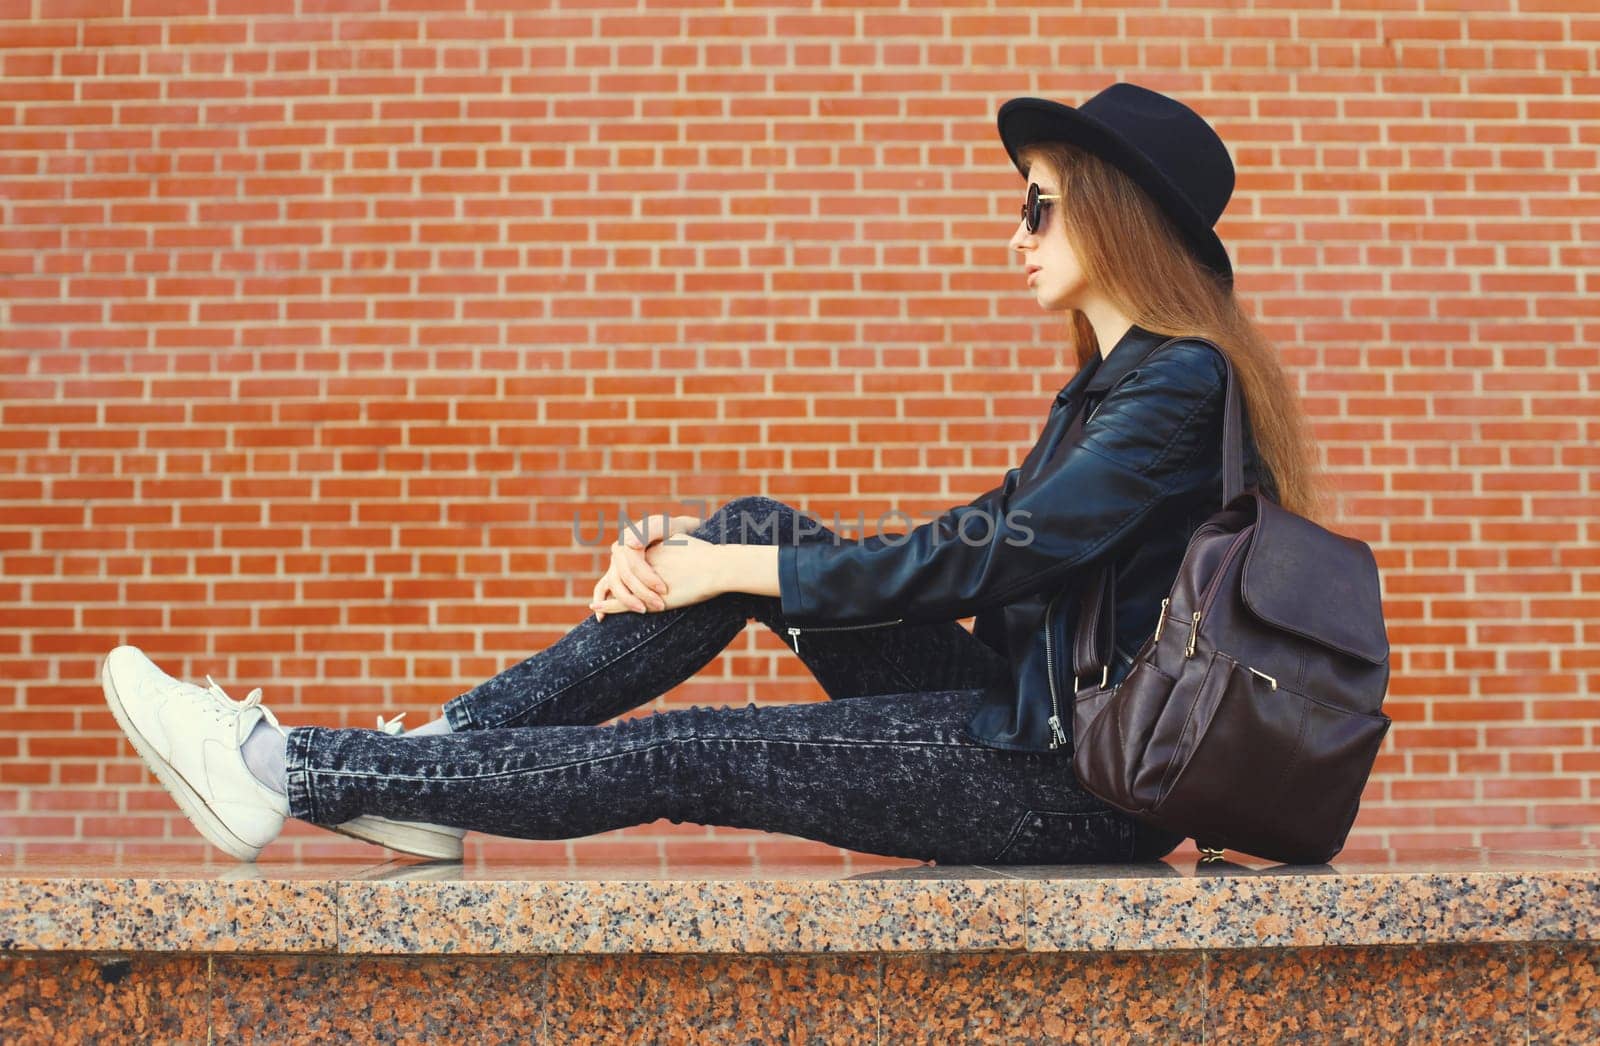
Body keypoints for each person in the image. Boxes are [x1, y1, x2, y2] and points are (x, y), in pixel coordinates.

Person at [100, 82, 1330, 866]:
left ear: (1115, 221)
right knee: (748, 536)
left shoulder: (1180, 385)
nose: (1012, 235)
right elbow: (981, 538)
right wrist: (729, 555)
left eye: (1038, 208)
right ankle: (432, 763)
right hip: (1036, 719)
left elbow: (999, 556)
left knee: (690, 745)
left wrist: (733, 567)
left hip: (1081, 783)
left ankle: (285, 769)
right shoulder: (1111, 389)